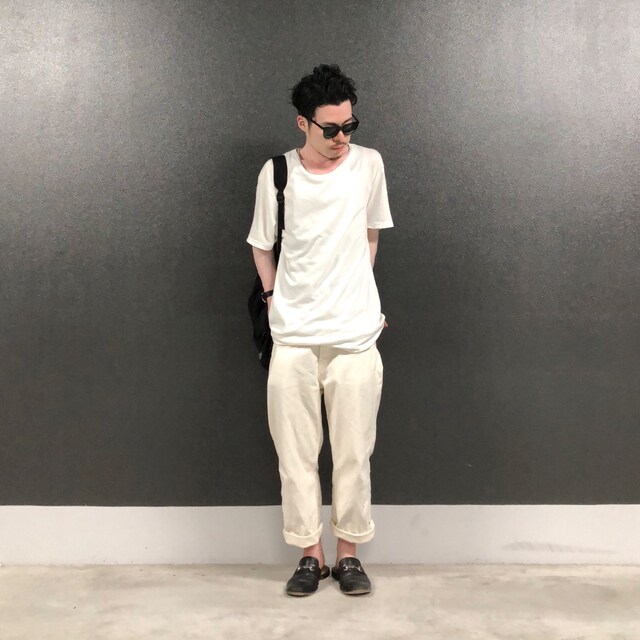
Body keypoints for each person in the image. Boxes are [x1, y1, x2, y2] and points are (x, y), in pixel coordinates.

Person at [247, 64, 393, 597]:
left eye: (349, 126)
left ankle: (348, 554)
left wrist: (359, 291)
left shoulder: (369, 165)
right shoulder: (277, 174)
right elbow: (262, 245)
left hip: (355, 337)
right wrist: (272, 300)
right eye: (330, 128)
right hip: (293, 338)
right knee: (296, 457)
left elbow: (371, 234)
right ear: (302, 123)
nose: (341, 138)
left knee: (354, 454)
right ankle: (310, 555)